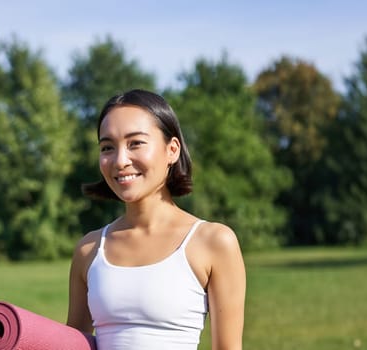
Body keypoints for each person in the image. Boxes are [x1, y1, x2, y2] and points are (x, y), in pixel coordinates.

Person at [66, 89, 246, 350]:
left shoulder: (214, 242)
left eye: (135, 143)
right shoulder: (88, 249)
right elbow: (72, 344)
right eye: (107, 147)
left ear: (172, 150)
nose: (120, 160)